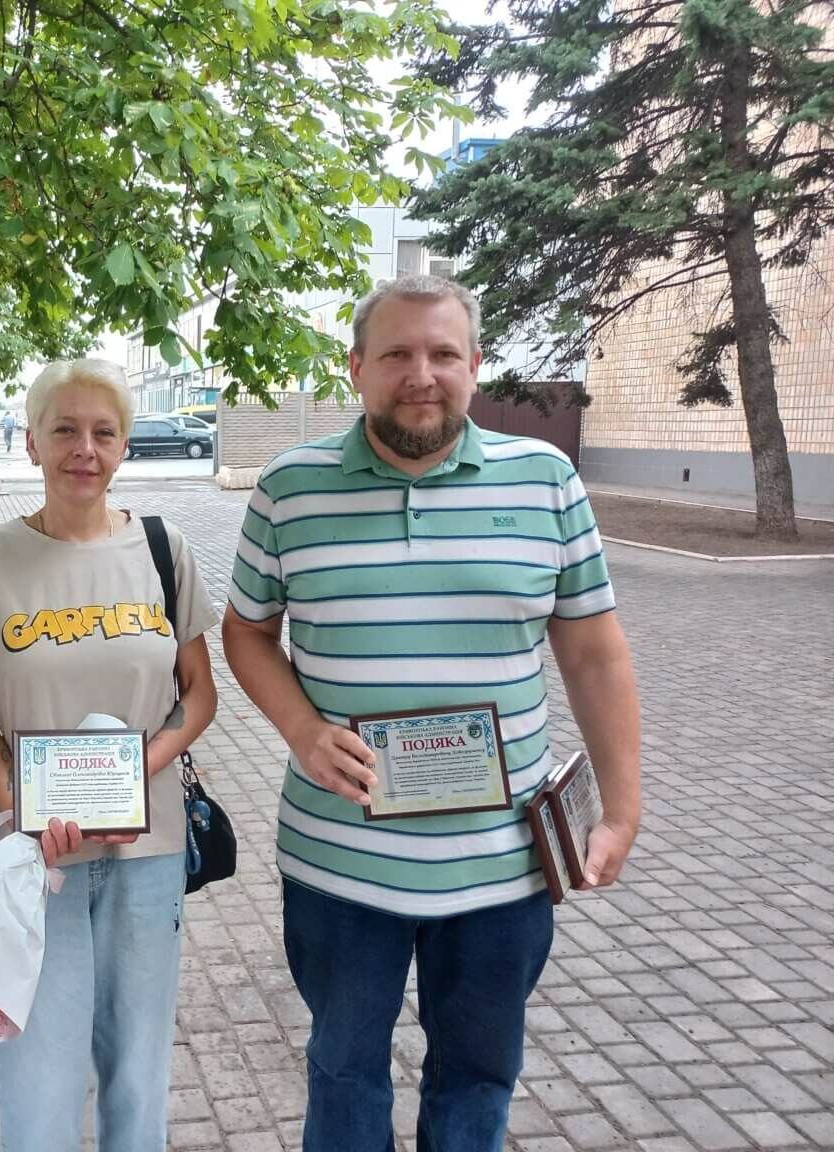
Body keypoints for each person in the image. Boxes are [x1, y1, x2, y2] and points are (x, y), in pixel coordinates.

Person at [222, 274, 641, 1152]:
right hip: (341, 865)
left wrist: (623, 810)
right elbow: (248, 632)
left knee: (478, 1078)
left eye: (444, 353)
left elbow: (594, 656)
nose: (422, 374)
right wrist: (302, 730)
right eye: (397, 354)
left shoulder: (546, 480)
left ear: (475, 364)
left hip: (503, 871)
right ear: (357, 368)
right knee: (344, 1074)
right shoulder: (289, 488)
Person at [0, 358, 219, 1151]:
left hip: (148, 853)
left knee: (138, 1071)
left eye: (104, 432)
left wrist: (139, 769)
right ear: (31, 442)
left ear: (124, 445)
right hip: (35, 862)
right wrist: (23, 811)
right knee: (41, 1079)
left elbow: (199, 695)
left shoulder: (164, 549)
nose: (84, 449)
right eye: (64, 429)